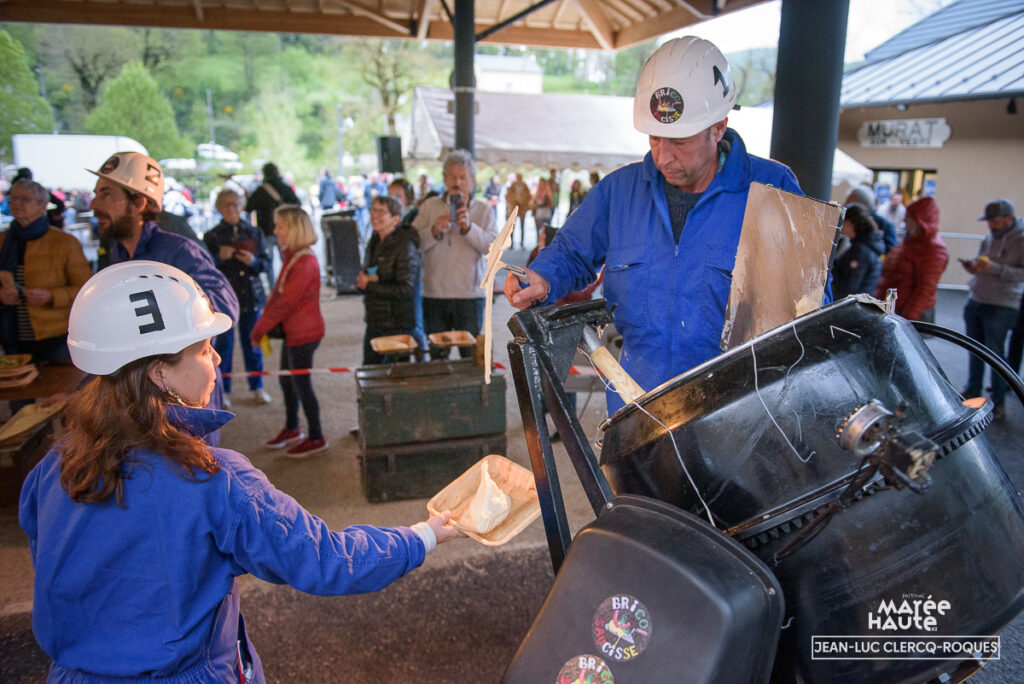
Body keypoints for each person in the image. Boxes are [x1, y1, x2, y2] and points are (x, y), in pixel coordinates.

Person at [19, 260, 460, 682]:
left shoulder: (53, 467)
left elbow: (54, 568)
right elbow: (326, 560)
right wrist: (423, 536)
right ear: (158, 373)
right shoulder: (213, 479)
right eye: (203, 349)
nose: (216, 360)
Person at [504, 36, 815, 415]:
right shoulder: (620, 191)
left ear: (719, 127)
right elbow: (571, 252)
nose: (663, 156)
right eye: (654, 138)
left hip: (737, 409)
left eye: (679, 141)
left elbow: (808, 311)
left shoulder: (772, 189)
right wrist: (543, 276)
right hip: (638, 407)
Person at [88, 152, 238, 444]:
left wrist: (172, 315)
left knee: (193, 469)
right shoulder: (118, 257)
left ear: (139, 203)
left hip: (184, 403)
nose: (94, 204)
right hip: (139, 403)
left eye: (106, 194)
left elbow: (225, 305)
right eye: (96, 194)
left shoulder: (179, 252)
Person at [250, 205, 327, 457]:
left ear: (294, 229)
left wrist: (259, 328)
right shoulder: (293, 256)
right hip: (294, 331)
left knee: (301, 384)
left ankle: (316, 436)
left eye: (280, 226)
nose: (275, 231)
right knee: (287, 380)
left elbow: (286, 302)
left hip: (304, 333)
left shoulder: (304, 261)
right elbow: (278, 295)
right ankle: (293, 428)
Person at [413, 150, 499, 360]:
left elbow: (493, 250)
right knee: (437, 358)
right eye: (452, 177)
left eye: (462, 177)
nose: (457, 182)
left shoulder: (483, 210)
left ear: (472, 181)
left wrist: (469, 228)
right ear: (444, 179)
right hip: (434, 294)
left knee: (469, 359)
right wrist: (433, 231)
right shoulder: (429, 206)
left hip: (470, 296)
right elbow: (412, 245)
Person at [0, 179, 91, 363]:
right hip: (12, 337)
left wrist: (51, 296)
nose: (16, 203)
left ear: (42, 204)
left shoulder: (64, 242)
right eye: (13, 199)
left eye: (24, 199)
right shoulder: (3, 241)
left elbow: (86, 291)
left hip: (56, 336)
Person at [203, 189, 272, 407]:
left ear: (242, 206)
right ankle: (223, 390)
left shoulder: (255, 232)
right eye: (226, 204)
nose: (232, 208)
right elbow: (204, 268)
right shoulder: (212, 236)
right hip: (223, 297)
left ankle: (257, 385)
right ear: (219, 208)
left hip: (251, 295)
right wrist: (219, 258)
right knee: (223, 345)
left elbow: (266, 264)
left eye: (235, 204)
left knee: (253, 343)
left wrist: (253, 261)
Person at [960, 199, 1024, 420]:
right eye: (988, 221)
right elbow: (985, 265)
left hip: (1002, 304)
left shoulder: (1021, 239)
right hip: (977, 298)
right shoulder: (989, 237)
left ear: (1009, 218)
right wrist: (974, 267)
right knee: (974, 349)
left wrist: (994, 268)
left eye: (995, 220)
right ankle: (972, 391)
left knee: (995, 355)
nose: (990, 225)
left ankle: (998, 401)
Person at [357, 196, 422, 365]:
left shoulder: (405, 246)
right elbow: (370, 274)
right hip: (375, 320)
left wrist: (369, 285)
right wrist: (365, 282)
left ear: (395, 219)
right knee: (370, 371)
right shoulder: (374, 241)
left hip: (397, 324)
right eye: (373, 210)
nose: (375, 215)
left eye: (381, 212)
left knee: (395, 375)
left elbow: (406, 289)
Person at [873, 196, 948, 323]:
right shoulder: (912, 241)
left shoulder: (933, 249)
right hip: (894, 309)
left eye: (908, 217)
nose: (905, 221)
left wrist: (907, 321)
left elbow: (924, 290)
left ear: (919, 221)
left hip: (908, 314)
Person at [389, 178, 428, 356]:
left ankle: (422, 359)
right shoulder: (389, 217)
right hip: (395, 272)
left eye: (398, 196)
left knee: (414, 322)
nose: (393, 200)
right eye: (390, 196)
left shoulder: (413, 216)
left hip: (412, 273)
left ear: (407, 198)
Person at [245, 162, 299, 282]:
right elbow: (296, 204)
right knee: (287, 260)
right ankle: (288, 284)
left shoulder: (260, 191)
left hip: (266, 230)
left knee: (269, 263)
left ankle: (273, 288)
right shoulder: (285, 187)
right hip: (284, 229)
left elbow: (249, 208)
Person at [831, 202, 885, 300]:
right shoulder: (865, 245)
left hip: (853, 304)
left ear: (848, 223)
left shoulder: (861, 251)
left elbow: (849, 286)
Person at [845, 184, 897, 253]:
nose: (845, 204)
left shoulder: (885, 225)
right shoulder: (886, 224)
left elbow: (890, 251)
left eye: (848, 200)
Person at [505, 172, 532, 249]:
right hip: (514, 208)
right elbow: (508, 196)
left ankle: (522, 243)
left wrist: (522, 199)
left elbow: (528, 196)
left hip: (522, 209)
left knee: (522, 226)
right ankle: (511, 243)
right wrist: (515, 199)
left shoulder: (525, 186)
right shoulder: (513, 186)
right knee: (512, 227)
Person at [532, 176, 554, 241]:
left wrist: (537, 205)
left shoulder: (547, 191)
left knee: (547, 230)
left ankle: (546, 242)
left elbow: (547, 202)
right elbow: (534, 201)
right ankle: (538, 242)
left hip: (546, 213)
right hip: (539, 214)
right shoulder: (538, 191)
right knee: (538, 229)